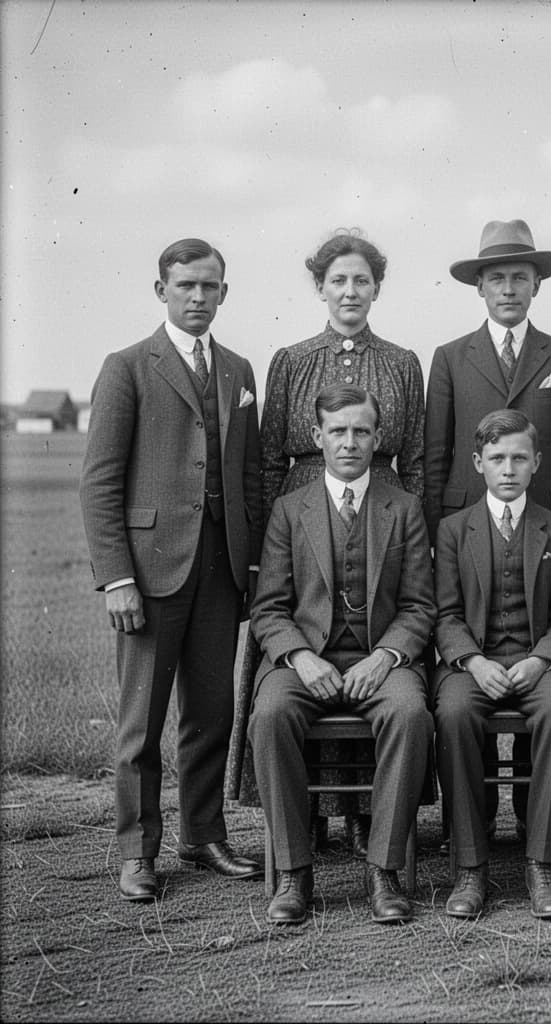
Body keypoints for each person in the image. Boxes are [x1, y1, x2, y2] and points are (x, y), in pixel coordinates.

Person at [227, 229, 425, 857]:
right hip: (304, 507)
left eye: (361, 280)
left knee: (370, 648)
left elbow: (418, 459)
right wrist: (269, 541)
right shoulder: (291, 359)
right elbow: (266, 459)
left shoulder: (401, 361)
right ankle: (305, 819)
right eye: (338, 279)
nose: (349, 291)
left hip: (382, 503)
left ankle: (367, 816)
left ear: (376, 288)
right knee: (306, 653)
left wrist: (413, 523)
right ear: (320, 287)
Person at [80, 238, 263, 902]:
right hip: (150, 573)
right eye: (186, 285)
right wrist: (117, 578)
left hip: (220, 572)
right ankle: (137, 852)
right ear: (162, 290)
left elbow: (248, 480)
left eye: (210, 286)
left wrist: (250, 567)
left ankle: (203, 835)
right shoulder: (128, 367)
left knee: (211, 713)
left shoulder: (238, 369)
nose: (198, 297)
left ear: (224, 293)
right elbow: (99, 482)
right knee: (141, 722)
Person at [425, 218, 551, 838]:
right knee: (461, 703)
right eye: (496, 278)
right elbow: (435, 456)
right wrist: (439, 535)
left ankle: (532, 827)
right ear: (480, 287)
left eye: (520, 277)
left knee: (546, 699)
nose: (508, 289)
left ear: (536, 285)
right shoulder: (451, 358)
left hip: (545, 530)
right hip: (469, 531)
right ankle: (467, 841)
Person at [247, 384, 435, 925]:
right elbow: (269, 609)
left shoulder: (404, 508)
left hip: (380, 661)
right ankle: (294, 872)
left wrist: (386, 657)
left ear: (377, 438)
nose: (349, 442)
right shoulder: (289, 510)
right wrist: (301, 658)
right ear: (317, 437)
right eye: (338, 431)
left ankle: (383, 869)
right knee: (271, 713)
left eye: (361, 431)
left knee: (410, 713)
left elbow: (419, 606)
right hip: (305, 661)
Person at [433, 410, 551, 919]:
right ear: (479, 463)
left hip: (537, 664)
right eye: (497, 458)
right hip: (474, 664)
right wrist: (473, 662)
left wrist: (541, 660)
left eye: (519, 458)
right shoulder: (454, 530)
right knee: (454, 712)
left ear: (536, 462)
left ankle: (542, 863)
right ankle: (470, 865)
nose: (509, 468)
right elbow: (446, 615)